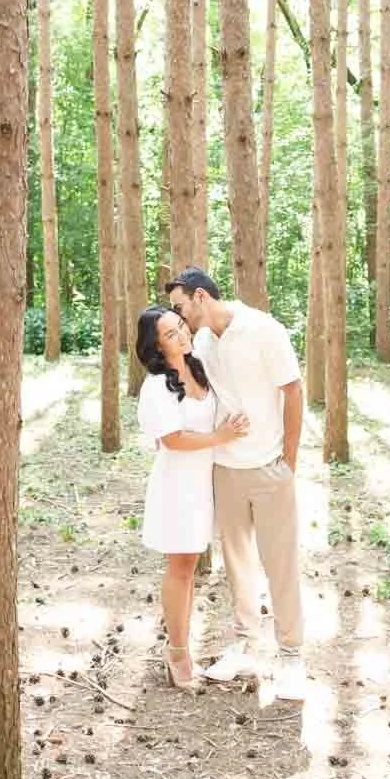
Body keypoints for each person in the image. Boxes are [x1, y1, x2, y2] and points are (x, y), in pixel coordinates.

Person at [166, 269, 306, 701]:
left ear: (201, 297)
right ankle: (248, 644)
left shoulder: (264, 330)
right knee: (238, 562)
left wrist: (290, 461)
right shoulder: (203, 343)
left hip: (269, 466)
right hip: (225, 469)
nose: (178, 316)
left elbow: (294, 391)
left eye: (180, 306)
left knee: (279, 563)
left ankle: (292, 654)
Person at [134, 304, 251, 691]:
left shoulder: (198, 366)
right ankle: (178, 652)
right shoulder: (156, 386)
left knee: (190, 568)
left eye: (181, 327)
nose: (182, 334)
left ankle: (181, 646)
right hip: (177, 486)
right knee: (181, 568)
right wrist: (220, 438)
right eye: (170, 334)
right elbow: (172, 439)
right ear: (155, 345)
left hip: (204, 483)